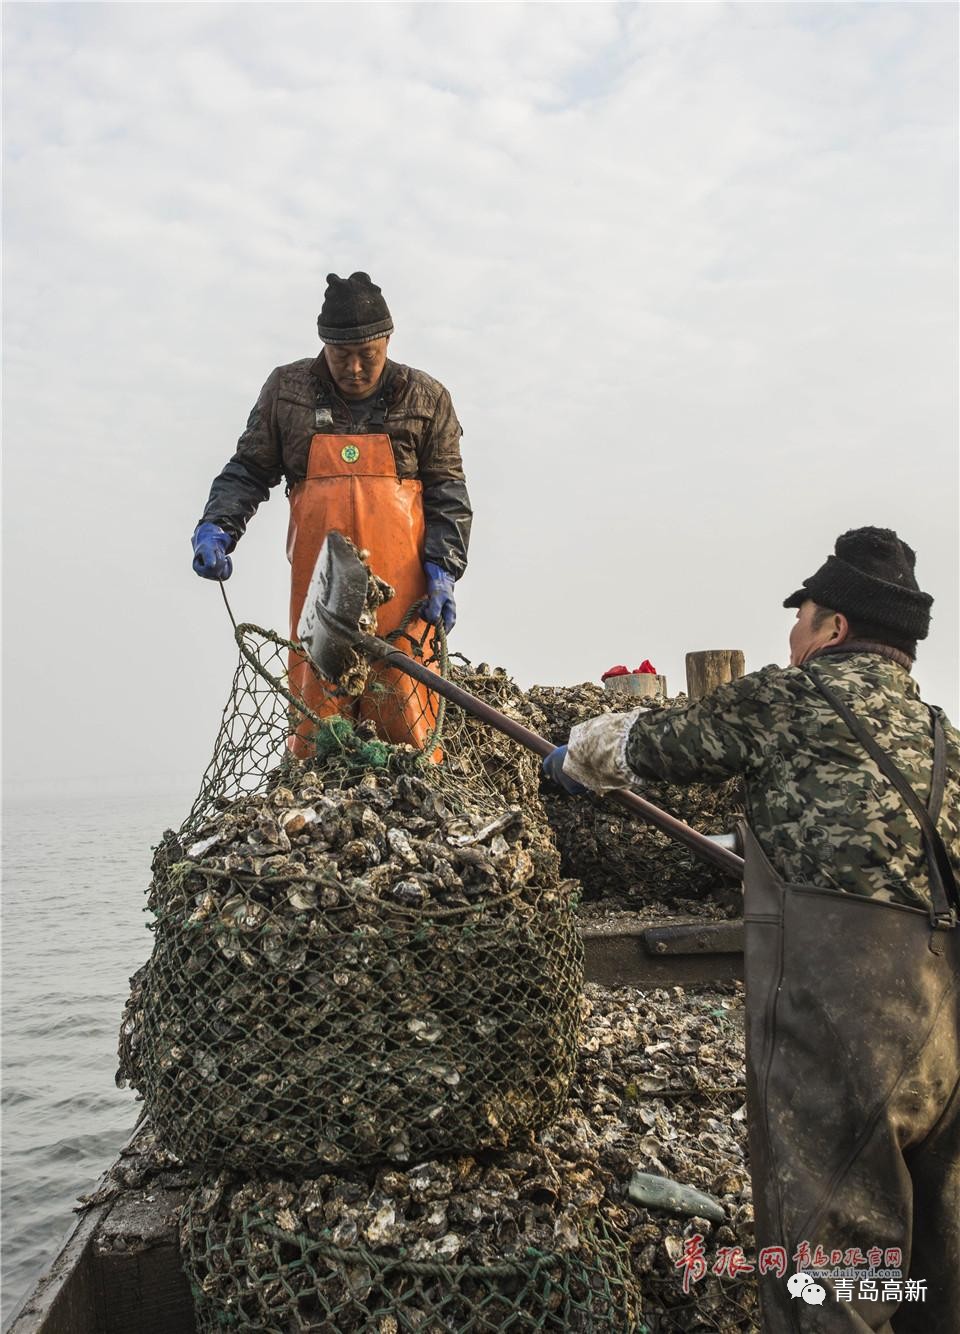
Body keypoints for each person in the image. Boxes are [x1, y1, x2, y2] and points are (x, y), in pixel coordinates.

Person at [543, 527, 959, 1334]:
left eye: (801, 617)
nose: (793, 635)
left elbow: (656, 743)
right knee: (932, 1269)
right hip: (947, 1035)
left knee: (829, 1264)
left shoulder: (791, 698)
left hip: (848, 1023)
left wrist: (577, 757)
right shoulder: (943, 738)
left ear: (833, 627)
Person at [191, 272, 472, 754]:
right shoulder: (288, 391)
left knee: (405, 708)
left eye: (369, 355)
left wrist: (443, 570)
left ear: (387, 339)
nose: (357, 368)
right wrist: (217, 525)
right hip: (320, 593)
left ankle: (417, 783)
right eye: (343, 356)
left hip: (402, 597)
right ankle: (315, 783)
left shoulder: (424, 397)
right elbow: (249, 470)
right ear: (324, 345)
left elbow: (448, 492)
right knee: (319, 708)